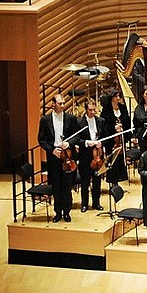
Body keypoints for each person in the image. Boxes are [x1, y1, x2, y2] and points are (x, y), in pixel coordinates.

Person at [37, 94, 78, 223]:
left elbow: (77, 136)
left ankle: (67, 212)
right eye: (60, 103)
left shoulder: (71, 118)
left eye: (63, 103)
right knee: (56, 185)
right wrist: (52, 150)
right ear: (53, 104)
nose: (62, 105)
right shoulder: (45, 119)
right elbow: (41, 140)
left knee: (67, 184)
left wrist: (69, 143)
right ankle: (58, 212)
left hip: (67, 155)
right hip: (54, 156)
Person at [75, 98, 106, 213]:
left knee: (97, 180)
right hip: (85, 156)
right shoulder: (79, 122)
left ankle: (96, 203)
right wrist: (87, 143)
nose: (93, 112)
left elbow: (106, 137)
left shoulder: (101, 121)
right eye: (90, 110)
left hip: (98, 155)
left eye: (94, 110)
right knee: (85, 181)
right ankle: (84, 204)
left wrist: (101, 142)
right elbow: (77, 139)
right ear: (86, 109)